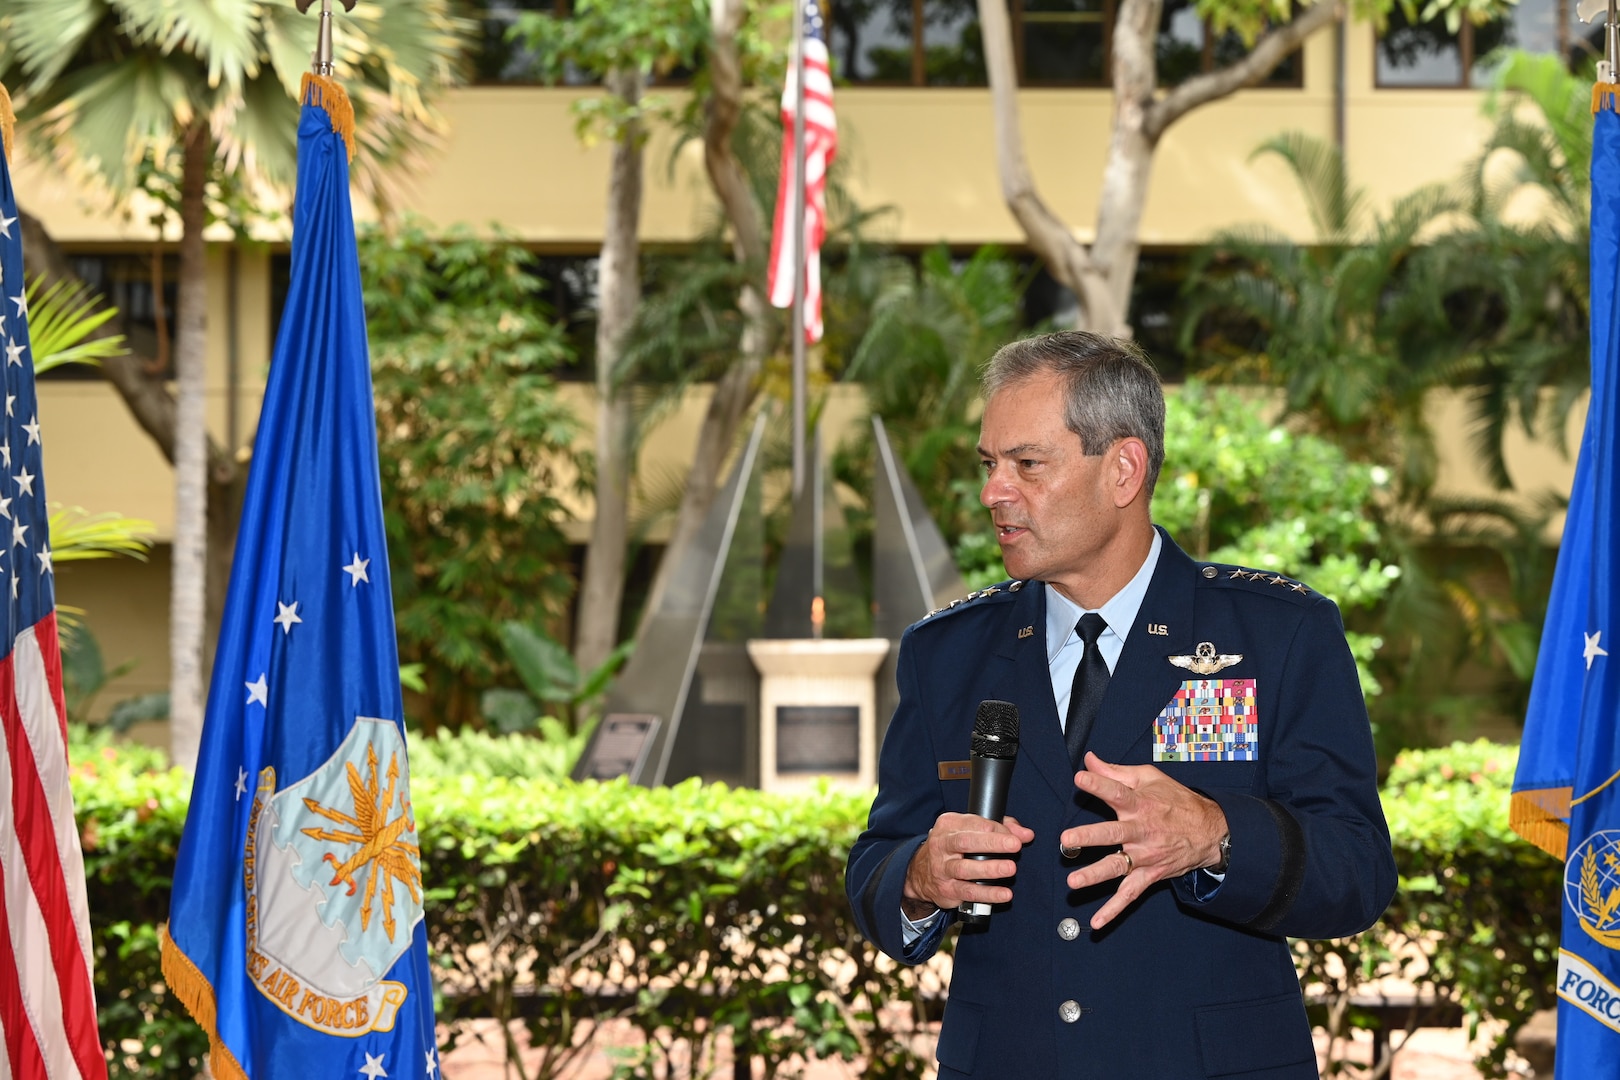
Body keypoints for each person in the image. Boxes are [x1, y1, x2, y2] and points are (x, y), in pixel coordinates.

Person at [845, 331, 1397, 1079]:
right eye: (989, 465)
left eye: (1027, 465)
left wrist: (1218, 835)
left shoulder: (1279, 634)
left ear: (1124, 470)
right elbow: (877, 861)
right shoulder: (948, 653)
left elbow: (1358, 871)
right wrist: (917, 875)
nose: (992, 493)